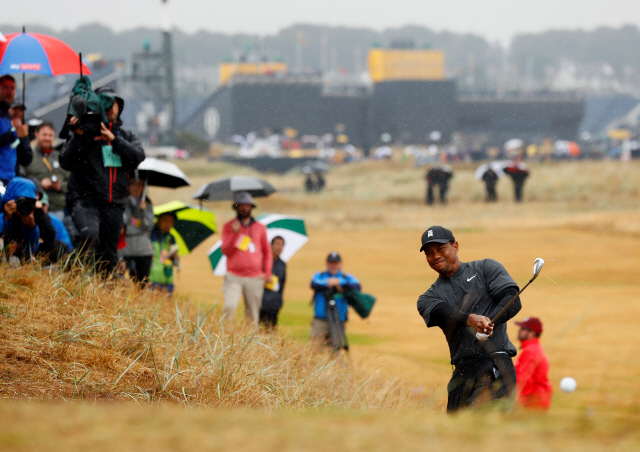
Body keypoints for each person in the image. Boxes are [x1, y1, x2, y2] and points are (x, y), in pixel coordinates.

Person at [416, 226, 522, 412]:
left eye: (441, 248)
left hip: (495, 363)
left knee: (481, 427)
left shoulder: (486, 268)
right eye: (429, 252)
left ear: (455, 246)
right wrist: (470, 319)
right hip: (462, 371)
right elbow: (443, 313)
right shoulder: (428, 298)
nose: (435, 256)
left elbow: (512, 300)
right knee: (456, 434)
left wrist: (491, 321)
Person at [59, 85, 145, 276]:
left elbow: (138, 157)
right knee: (89, 234)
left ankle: (104, 297)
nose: (109, 107)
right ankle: (73, 276)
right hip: (85, 199)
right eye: (104, 102)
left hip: (114, 203)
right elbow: (65, 161)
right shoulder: (84, 132)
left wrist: (113, 139)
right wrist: (80, 136)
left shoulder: (126, 136)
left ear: (119, 107)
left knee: (109, 253)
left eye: (113, 103)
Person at [220, 191, 272, 325]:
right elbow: (226, 251)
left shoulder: (260, 228)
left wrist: (267, 273)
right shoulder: (228, 226)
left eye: (246, 205)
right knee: (229, 307)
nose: (244, 208)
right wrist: (235, 234)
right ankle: (225, 339)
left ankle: (249, 343)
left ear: (251, 207)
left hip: (255, 277)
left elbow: (267, 252)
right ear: (236, 207)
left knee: (252, 315)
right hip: (234, 276)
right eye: (241, 205)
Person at [310, 252, 361, 347]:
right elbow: (313, 284)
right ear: (327, 264)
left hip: (338, 320)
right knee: (315, 349)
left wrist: (339, 283)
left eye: (336, 263)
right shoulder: (320, 275)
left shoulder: (346, 278)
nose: (333, 265)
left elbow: (357, 287)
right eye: (331, 263)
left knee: (336, 351)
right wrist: (328, 284)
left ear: (340, 264)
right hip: (320, 320)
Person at [22, 121, 69, 220]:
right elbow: (22, 180)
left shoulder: (60, 156)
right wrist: (39, 185)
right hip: (41, 211)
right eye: (44, 135)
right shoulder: (28, 158)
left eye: (50, 135)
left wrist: (61, 186)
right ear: (36, 134)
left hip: (65, 208)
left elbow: (73, 182)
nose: (47, 138)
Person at [120, 177, 154, 286]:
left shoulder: (147, 204)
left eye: (140, 185)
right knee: (120, 278)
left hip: (143, 247)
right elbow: (124, 221)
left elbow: (148, 226)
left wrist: (143, 211)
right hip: (125, 246)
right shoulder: (121, 202)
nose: (136, 188)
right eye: (133, 184)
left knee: (142, 281)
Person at [514, 316, 553, 410]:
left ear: (532, 333)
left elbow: (523, 379)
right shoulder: (533, 348)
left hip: (533, 403)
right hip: (537, 401)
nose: (519, 331)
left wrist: (516, 402)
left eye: (523, 329)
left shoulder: (531, 351)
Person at [0, 75, 33, 185]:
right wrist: (14, 134)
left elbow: (26, 160)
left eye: (12, 88)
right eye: (5, 87)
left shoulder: (9, 120)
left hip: (11, 179)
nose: (9, 91)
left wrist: (22, 138)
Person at [0, 177, 40, 260]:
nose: (24, 205)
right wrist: (5, 218)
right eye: (21, 201)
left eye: (29, 202)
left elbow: (30, 251)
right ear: (11, 199)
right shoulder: (2, 209)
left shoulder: (27, 217)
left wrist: (31, 227)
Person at [148, 212, 179, 294]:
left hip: (167, 280)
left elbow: (176, 261)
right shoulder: (150, 235)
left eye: (171, 222)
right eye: (165, 220)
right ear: (158, 220)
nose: (168, 224)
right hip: (152, 280)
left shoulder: (171, 239)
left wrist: (175, 257)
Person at [260, 236, 287, 329]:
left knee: (271, 329)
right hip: (261, 300)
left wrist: (280, 301)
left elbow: (282, 284)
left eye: (282, 245)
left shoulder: (282, 264)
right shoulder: (262, 261)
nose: (279, 248)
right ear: (271, 246)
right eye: (277, 244)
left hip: (274, 302)